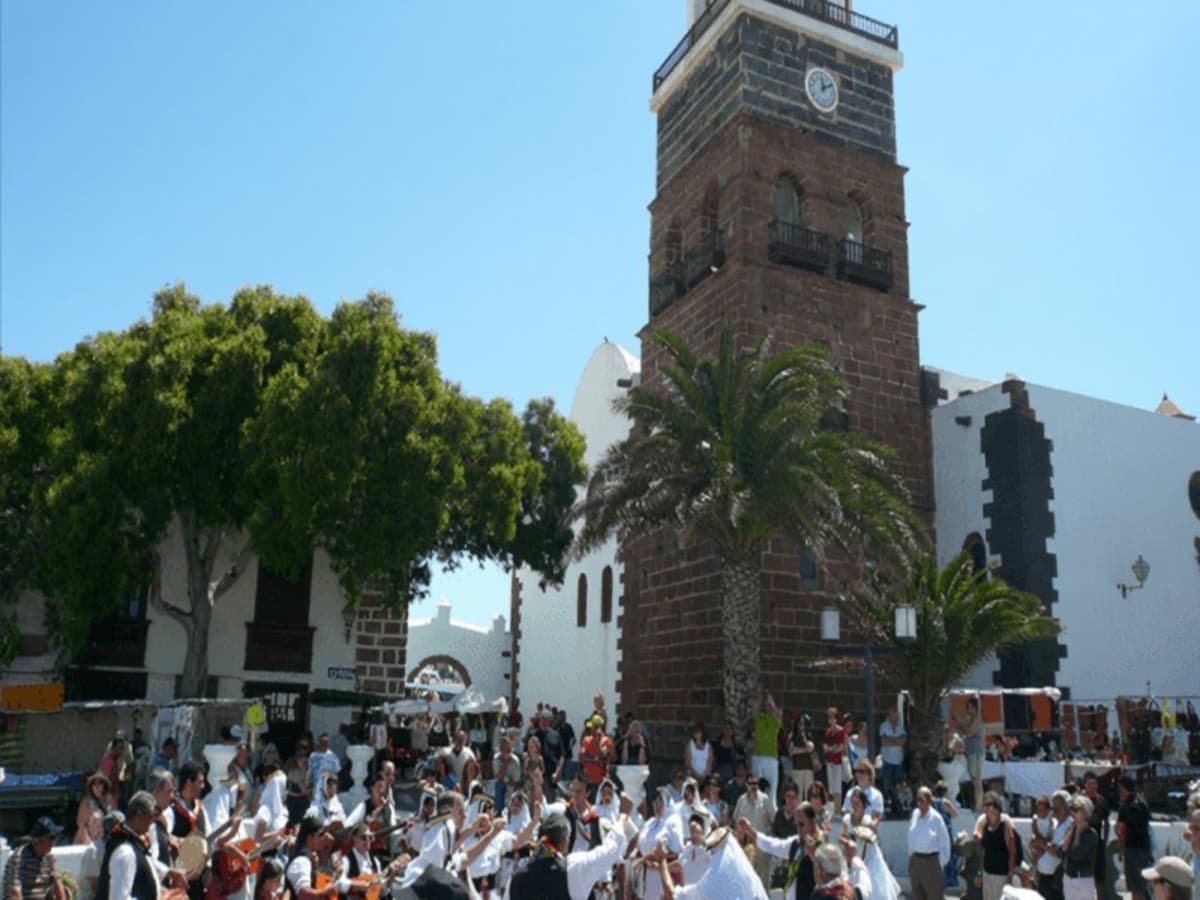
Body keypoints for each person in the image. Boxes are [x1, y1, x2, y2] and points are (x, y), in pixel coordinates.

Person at [507, 799, 633, 900]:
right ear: (565, 842)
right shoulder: (574, 867)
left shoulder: (516, 878)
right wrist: (622, 818)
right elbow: (610, 849)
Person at [98, 793, 189, 900]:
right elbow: (119, 898)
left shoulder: (132, 843)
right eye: (150, 816)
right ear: (138, 815)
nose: (152, 822)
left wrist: (168, 872)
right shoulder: (125, 852)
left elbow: (144, 861)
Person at [738, 801, 820, 900]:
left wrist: (814, 856)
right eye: (797, 825)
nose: (798, 830)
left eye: (802, 824)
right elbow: (772, 845)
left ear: (812, 823)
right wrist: (750, 830)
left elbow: (831, 878)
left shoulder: (823, 844)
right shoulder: (795, 843)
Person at [636, 788, 685, 900]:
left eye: (660, 802)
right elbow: (640, 844)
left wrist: (657, 859)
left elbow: (677, 850)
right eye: (655, 803)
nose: (657, 806)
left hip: (662, 870)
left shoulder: (673, 821)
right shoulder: (650, 823)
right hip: (647, 872)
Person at [3, 817, 66, 900]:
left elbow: (58, 889)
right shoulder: (19, 858)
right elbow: (15, 893)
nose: (53, 842)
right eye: (51, 838)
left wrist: (53, 870)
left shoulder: (48, 858)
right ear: (38, 841)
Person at [974, 790, 1020, 900]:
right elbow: (982, 852)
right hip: (987, 874)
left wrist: (1010, 876)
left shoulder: (1005, 825)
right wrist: (979, 873)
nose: (987, 808)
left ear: (997, 806)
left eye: (990, 804)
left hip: (1002, 876)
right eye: (985, 805)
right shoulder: (984, 824)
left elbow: (1012, 853)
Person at [907, 786, 951, 900]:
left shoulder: (936, 818)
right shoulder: (915, 814)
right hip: (916, 861)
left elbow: (945, 843)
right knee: (917, 896)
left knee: (934, 896)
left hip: (931, 862)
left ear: (929, 801)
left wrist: (938, 864)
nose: (919, 803)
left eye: (922, 800)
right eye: (917, 799)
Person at [732, 776, 775, 890]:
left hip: (762, 846)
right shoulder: (741, 800)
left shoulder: (765, 799)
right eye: (751, 783)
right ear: (747, 785)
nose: (754, 786)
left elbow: (773, 820)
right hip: (747, 845)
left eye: (756, 783)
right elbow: (737, 821)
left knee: (764, 881)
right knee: (747, 880)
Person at [1117, 773, 1153, 900]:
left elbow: (1121, 829)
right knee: (1143, 885)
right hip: (1145, 848)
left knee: (1135, 888)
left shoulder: (1125, 806)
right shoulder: (1143, 802)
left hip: (1132, 849)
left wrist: (1121, 849)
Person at [1057, 794, 1099, 900]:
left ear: (1085, 813)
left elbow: (1076, 854)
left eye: (1077, 810)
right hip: (1068, 878)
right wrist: (1072, 831)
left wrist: (1078, 833)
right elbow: (1060, 852)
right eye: (1072, 809)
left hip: (1083, 880)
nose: (1073, 813)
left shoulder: (1091, 835)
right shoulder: (1071, 831)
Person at [952, 697, 985, 810]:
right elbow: (962, 728)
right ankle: (978, 804)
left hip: (976, 753)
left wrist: (959, 722)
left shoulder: (977, 719)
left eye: (969, 707)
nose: (967, 709)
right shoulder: (969, 719)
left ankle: (979, 805)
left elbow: (970, 732)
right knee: (974, 780)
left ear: (974, 707)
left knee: (977, 780)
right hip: (970, 753)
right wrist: (958, 721)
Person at [749, 693, 782, 800]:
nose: (767, 706)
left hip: (772, 757)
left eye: (769, 705)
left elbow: (778, 714)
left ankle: (771, 812)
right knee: (756, 786)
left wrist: (771, 701)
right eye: (765, 705)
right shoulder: (759, 718)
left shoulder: (775, 721)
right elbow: (753, 711)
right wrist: (760, 699)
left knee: (771, 789)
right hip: (758, 756)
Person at [932, 780, 961, 888]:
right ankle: (949, 879)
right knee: (948, 854)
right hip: (945, 830)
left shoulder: (932, 802)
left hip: (935, 831)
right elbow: (955, 814)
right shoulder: (945, 802)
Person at [878, 706, 906, 818]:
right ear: (890, 715)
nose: (896, 717)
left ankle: (896, 806)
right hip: (888, 761)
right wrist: (897, 740)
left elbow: (903, 741)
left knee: (897, 785)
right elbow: (884, 742)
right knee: (887, 785)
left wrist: (892, 740)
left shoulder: (900, 726)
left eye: (897, 716)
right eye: (894, 715)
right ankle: (888, 805)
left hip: (898, 761)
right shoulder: (884, 726)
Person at [75, 773, 114, 845]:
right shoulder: (86, 801)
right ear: (91, 787)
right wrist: (88, 843)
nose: (96, 786)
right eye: (94, 784)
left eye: (99, 783)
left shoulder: (110, 799)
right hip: (88, 840)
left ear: (104, 785)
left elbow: (113, 820)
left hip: (105, 839)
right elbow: (81, 824)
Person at [787, 714, 817, 802]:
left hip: (808, 768)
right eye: (800, 724)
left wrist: (804, 738)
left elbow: (811, 748)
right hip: (797, 768)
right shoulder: (793, 736)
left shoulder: (809, 736)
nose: (802, 726)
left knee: (808, 792)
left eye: (803, 724)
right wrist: (805, 750)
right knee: (798, 793)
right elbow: (791, 751)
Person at [579, 716, 614, 791]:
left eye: (593, 727)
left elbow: (602, 757)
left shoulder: (607, 741)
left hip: (602, 780)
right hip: (588, 779)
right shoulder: (586, 740)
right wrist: (594, 760)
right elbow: (582, 757)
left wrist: (597, 741)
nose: (591, 729)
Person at [822, 707, 847, 808]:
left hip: (838, 762)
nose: (831, 720)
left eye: (833, 718)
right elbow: (825, 747)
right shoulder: (827, 732)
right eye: (829, 718)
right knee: (831, 787)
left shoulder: (841, 731)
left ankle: (838, 809)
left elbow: (840, 747)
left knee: (838, 788)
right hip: (829, 761)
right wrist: (832, 748)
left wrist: (831, 748)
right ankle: (832, 809)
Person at [492, 733, 522, 811]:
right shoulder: (496, 758)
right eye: (503, 749)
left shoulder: (516, 761)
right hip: (499, 787)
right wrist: (504, 764)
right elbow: (497, 777)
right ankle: (497, 812)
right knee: (499, 786)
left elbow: (516, 782)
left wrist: (506, 780)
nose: (505, 752)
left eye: (507, 750)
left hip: (512, 788)